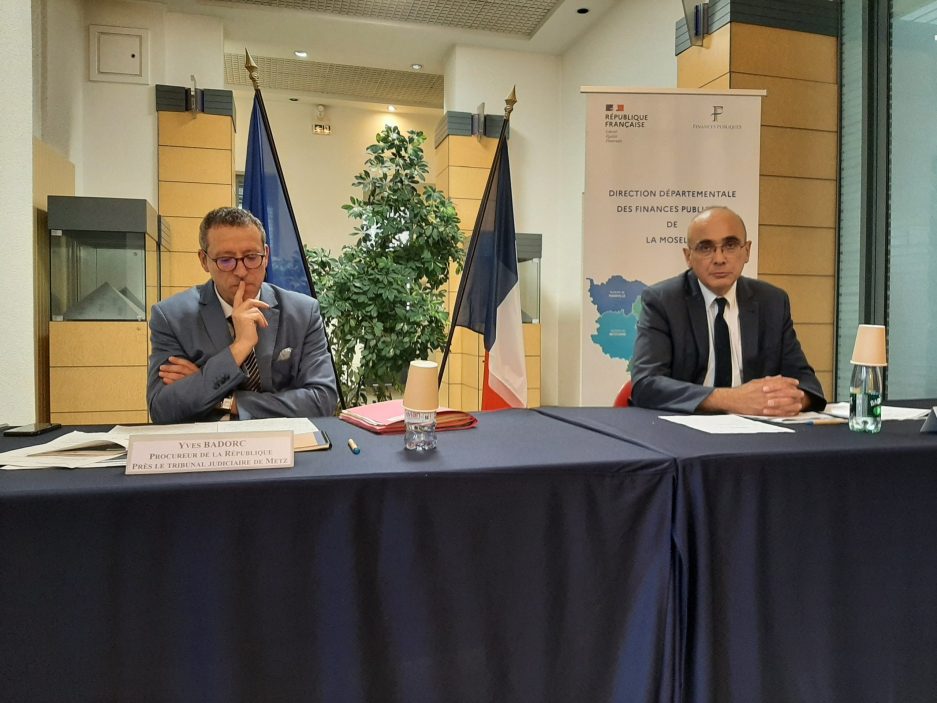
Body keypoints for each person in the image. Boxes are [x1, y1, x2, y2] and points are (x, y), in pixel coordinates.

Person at [147, 207, 338, 423]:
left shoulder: (303, 312)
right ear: (204, 260)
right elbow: (162, 409)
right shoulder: (171, 317)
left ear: (266, 256)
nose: (241, 271)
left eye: (251, 257)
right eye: (226, 260)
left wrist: (222, 398)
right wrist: (240, 347)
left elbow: (323, 400)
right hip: (209, 442)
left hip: (289, 440)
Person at [630, 206, 825, 416]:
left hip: (755, 426)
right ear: (688, 256)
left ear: (747, 251)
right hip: (685, 425)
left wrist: (786, 401)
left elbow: (807, 383)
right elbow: (646, 383)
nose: (719, 259)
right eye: (706, 248)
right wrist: (732, 400)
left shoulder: (772, 302)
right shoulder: (663, 301)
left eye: (730, 246)